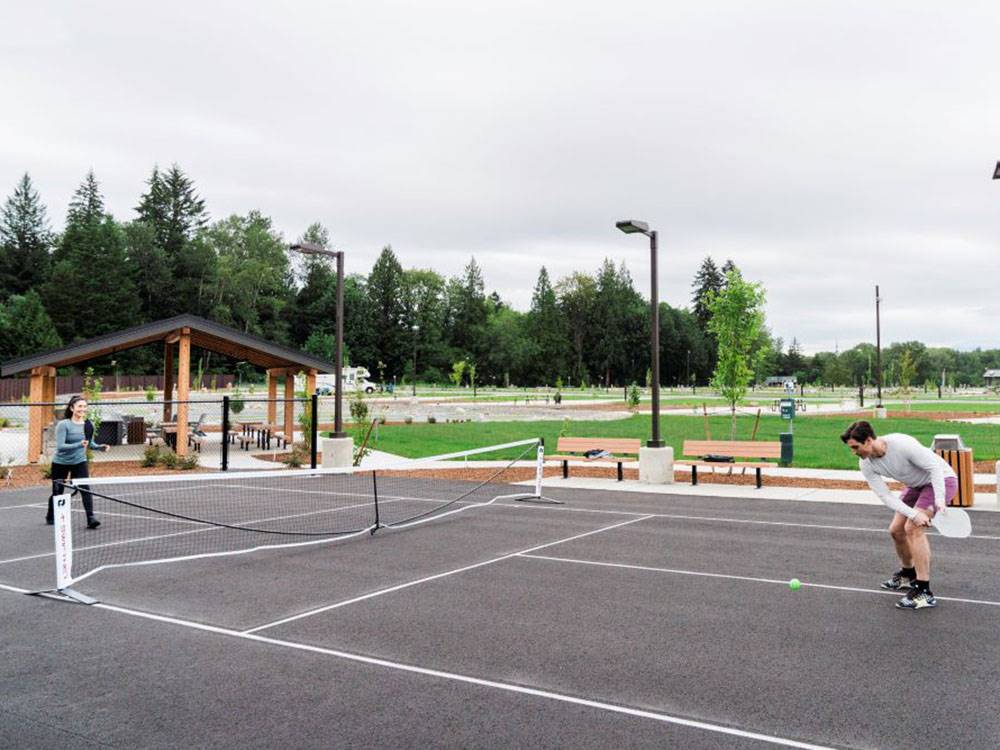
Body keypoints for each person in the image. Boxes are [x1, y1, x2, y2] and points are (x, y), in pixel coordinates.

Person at [840, 420, 958, 610]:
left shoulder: (902, 444)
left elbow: (934, 468)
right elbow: (885, 495)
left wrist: (940, 500)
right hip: (915, 485)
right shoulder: (866, 464)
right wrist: (913, 513)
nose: (854, 452)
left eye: (855, 447)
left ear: (869, 440)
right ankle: (908, 574)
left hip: (941, 480)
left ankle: (924, 591)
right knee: (896, 530)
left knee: (912, 528)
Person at [45, 395, 109, 530]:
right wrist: (79, 444)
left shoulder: (88, 424)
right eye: (80, 406)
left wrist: (99, 447)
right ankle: (51, 514)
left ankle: (91, 518)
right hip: (60, 463)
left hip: (79, 462)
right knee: (58, 491)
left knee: (85, 489)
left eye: (85, 406)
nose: (83, 409)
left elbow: (89, 443)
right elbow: (61, 446)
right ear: (72, 408)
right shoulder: (64, 425)